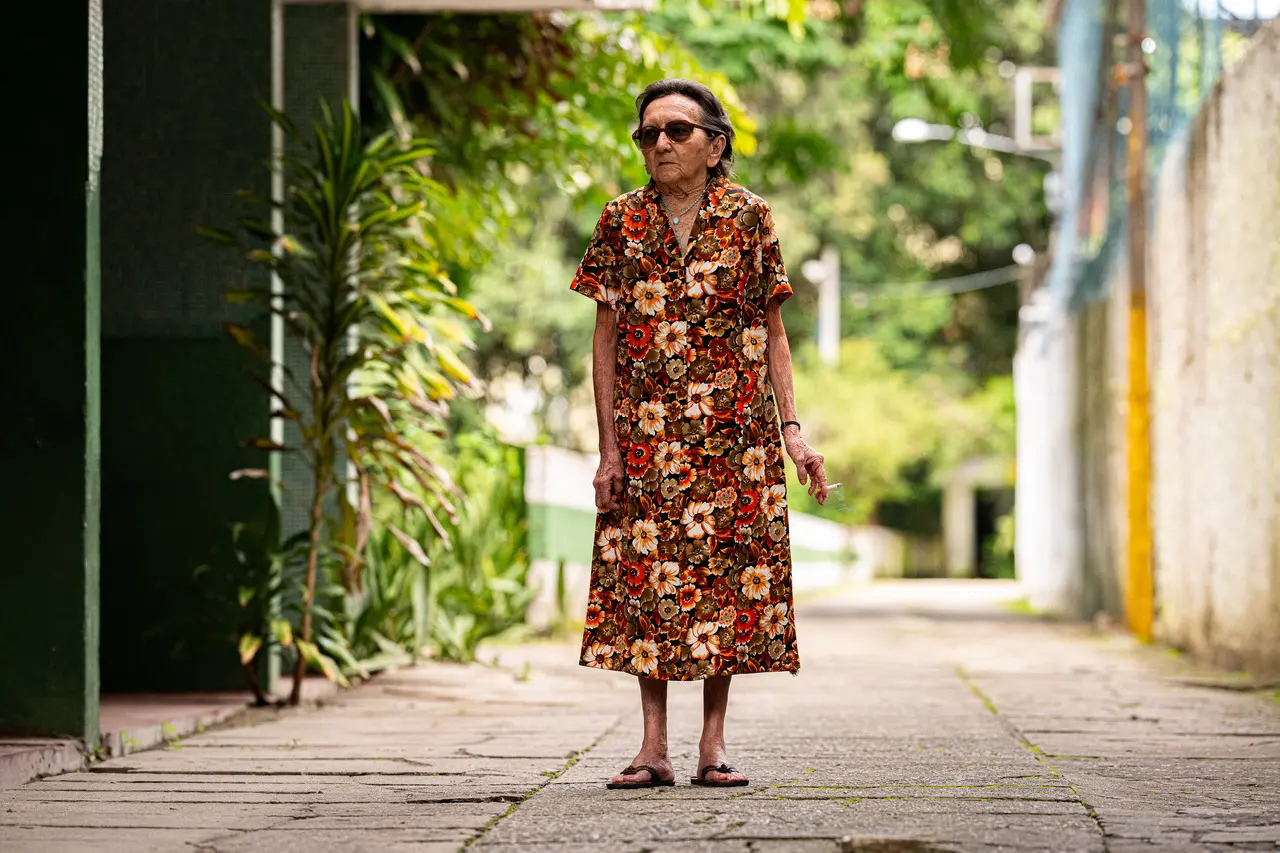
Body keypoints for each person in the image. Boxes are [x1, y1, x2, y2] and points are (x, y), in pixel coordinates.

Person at [570, 78, 829, 790]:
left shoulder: (750, 218)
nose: (660, 144)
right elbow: (604, 342)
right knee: (647, 585)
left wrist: (793, 433)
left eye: (677, 131)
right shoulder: (620, 221)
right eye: (648, 133)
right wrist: (609, 448)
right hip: (647, 436)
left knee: (723, 584)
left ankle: (712, 742)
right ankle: (652, 744)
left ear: (715, 146)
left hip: (734, 437)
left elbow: (772, 331)